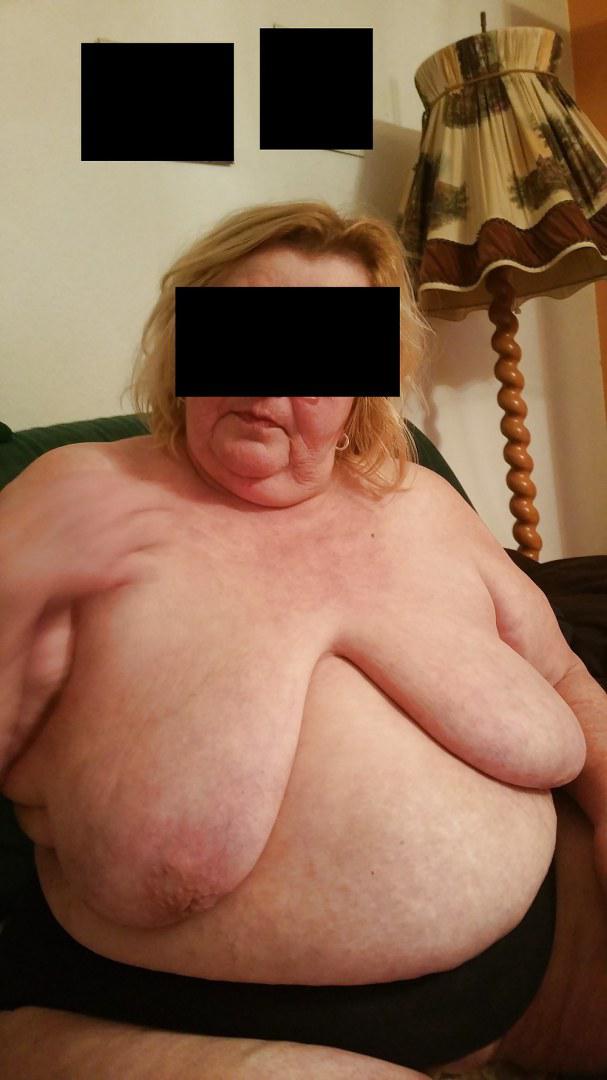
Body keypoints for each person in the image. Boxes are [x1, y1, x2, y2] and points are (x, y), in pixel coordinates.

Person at [1, 200, 606, 1080]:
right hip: (195, 1030)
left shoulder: (421, 503)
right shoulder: (71, 489)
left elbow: (567, 681)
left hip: (555, 954)